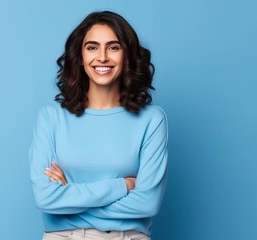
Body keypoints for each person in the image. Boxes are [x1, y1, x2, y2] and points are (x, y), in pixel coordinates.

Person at [28, 11, 168, 240]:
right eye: (92, 47)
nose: (102, 57)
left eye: (113, 47)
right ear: (80, 56)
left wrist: (69, 201)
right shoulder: (51, 117)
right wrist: (123, 186)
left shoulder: (152, 120)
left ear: (128, 55)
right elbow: (46, 199)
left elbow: (147, 203)